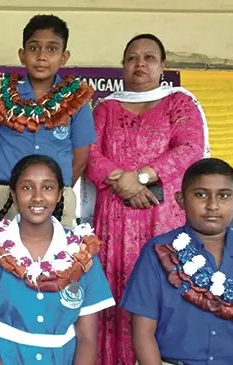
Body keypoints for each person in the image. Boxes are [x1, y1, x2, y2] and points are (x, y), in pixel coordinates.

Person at [85, 33, 208, 365]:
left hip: (162, 218)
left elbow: (189, 150)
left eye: (149, 58)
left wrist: (139, 177)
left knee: (162, 292)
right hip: (113, 220)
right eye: (132, 58)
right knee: (114, 296)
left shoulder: (179, 103)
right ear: (123, 66)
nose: (140, 64)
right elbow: (90, 156)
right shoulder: (106, 109)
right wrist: (124, 184)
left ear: (163, 65)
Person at [122, 158, 233, 365]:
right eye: (200, 194)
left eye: (224, 196)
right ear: (181, 200)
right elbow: (143, 334)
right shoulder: (158, 252)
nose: (212, 205)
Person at [0, 154, 115, 364]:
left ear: (60, 195)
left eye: (48, 187)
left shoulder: (82, 251)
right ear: (13, 195)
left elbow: (87, 339)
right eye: (26, 188)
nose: (37, 197)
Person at [0, 15, 95, 227]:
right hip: (5, 193)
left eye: (52, 49)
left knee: (57, 258)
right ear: (22, 55)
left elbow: (80, 159)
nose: (42, 56)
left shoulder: (76, 98)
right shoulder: (1, 95)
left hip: (56, 199)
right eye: (34, 48)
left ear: (64, 57)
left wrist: (55, 190)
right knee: (0, 255)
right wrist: (12, 186)